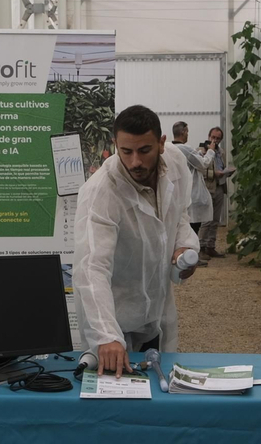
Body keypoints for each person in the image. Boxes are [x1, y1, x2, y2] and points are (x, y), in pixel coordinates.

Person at [73, 105, 199, 376]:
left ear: (161, 143)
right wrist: (106, 334)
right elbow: (92, 268)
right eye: (126, 151)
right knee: (117, 390)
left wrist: (185, 246)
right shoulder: (101, 192)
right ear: (115, 145)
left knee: (160, 383)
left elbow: (179, 214)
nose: (135, 162)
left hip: (157, 311)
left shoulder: (175, 164)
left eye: (144, 150)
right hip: (115, 316)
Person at [172, 120, 213, 234]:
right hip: (192, 194)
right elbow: (203, 164)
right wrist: (211, 151)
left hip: (178, 194)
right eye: (187, 132)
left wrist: (198, 154)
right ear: (183, 132)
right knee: (192, 230)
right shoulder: (185, 148)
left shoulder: (170, 148)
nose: (188, 135)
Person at [198, 125, 232, 258]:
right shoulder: (201, 150)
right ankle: (200, 247)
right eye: (213, 137)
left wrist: (226, 172)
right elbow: (200, 170)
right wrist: (214, 174)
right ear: (208, 136)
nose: (215, 140)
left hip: (219, 187)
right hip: (208, 187)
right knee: (206, 219)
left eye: (218, 138)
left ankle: (210, 246)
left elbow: (221, 166)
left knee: (215, 219)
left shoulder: (221, 152)